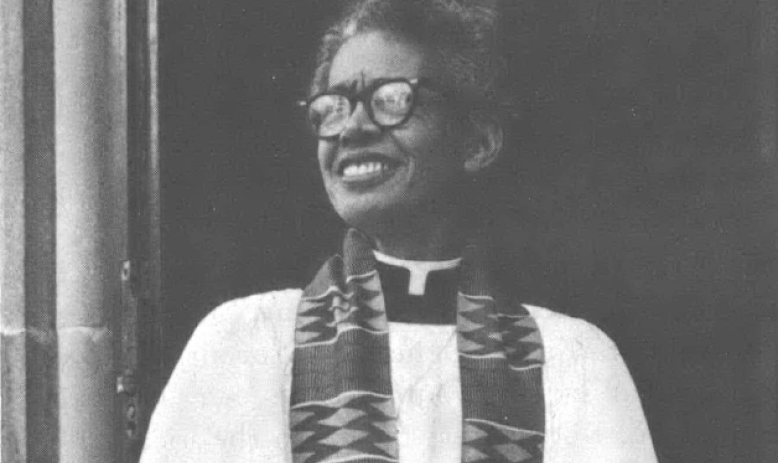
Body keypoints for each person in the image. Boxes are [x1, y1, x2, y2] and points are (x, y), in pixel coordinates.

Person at [140, 1, 657, 462]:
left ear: (476, 142)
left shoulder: (573, 362)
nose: (352, 128)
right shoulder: (246, 343)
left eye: (392, 100)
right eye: (334, 106)